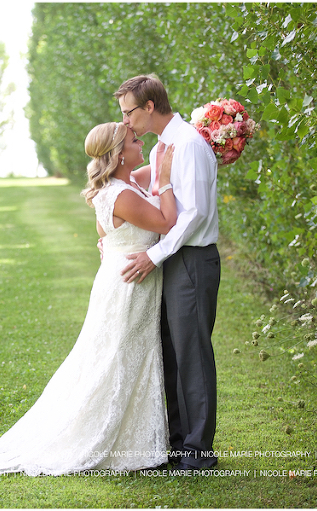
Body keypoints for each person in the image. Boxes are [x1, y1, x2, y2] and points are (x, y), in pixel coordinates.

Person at [0, 122, 178, 477]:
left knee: (121, 356)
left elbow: (156, 163)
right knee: (118, 358)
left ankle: (133, 438)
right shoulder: (122, 194)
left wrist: (194, 140)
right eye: (136, 140)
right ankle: (108, 438)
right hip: (129, 285)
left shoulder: (123, 183)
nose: (143, 142)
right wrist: (166, 180)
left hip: (122, 280)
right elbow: (167, 221)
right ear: (121, 153)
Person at [114, 75, 220, 472]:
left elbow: (193, 215)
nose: (125, 122)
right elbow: (139, 196)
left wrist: (153, 256)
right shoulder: (162, 149)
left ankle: (197, 452)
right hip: (172, 259)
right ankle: (177, 445)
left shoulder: (189, 144)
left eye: (129, 113)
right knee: (171, 354)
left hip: (191, 260)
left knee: (192, 354)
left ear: (150, 107)